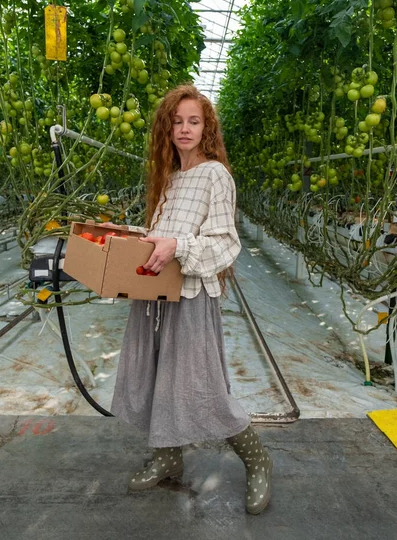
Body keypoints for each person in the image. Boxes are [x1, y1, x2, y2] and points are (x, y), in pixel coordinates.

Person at [111, 84, 273, 515]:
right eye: (178, 121)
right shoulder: (169, 177)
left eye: (194, 121)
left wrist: (177, 246)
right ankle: (168, 456)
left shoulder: (215, 175)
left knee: (204, 389)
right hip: (155, 296)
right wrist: (131, 241)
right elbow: (164, 236)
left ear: (207, 128)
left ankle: (259, 463)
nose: (185, 129)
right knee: (157, 379)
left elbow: (223, 244)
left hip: (192, 297)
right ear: (168, 127)